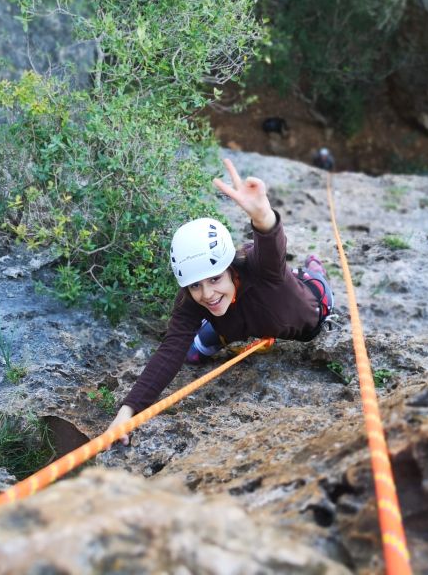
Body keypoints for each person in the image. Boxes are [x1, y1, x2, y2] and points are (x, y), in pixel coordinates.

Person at [106, 157, 334, 444]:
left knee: (312, 285)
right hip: (245, 324)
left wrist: (262, 216)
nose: (207, 294)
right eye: (195, 285)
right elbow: (170, 350)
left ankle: (314, 268)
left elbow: (270, 243)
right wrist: (127, 412)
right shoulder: (194, 298)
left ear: (230, 268)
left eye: (215, 279)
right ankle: (239, 320)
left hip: (309, 311)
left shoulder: (261, 267)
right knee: (191, 351)